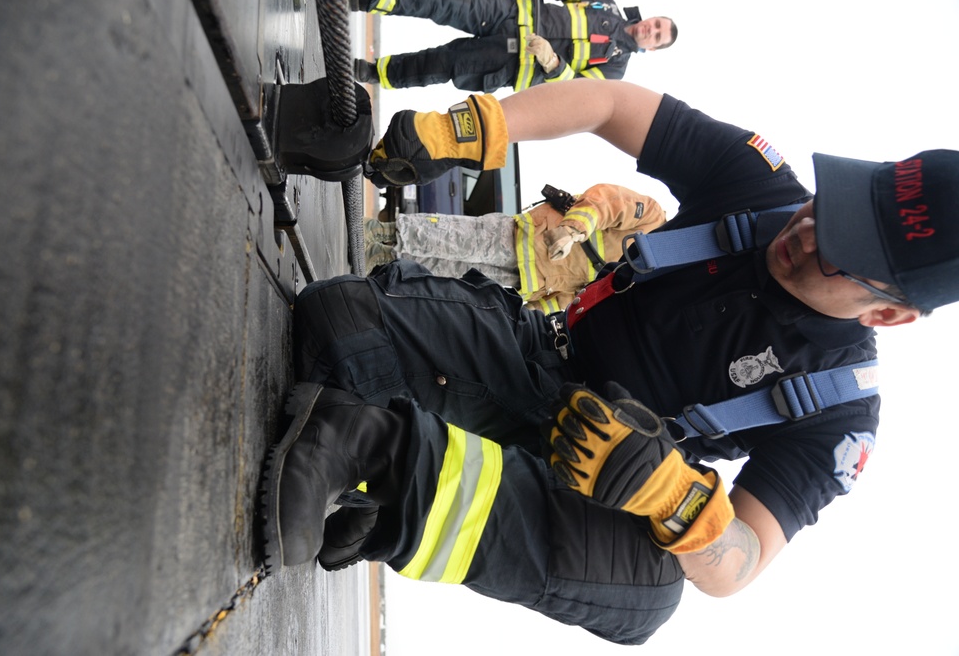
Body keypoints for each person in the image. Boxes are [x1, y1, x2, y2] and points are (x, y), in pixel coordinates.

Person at [260, 79, 959, 645]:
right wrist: (472, 131)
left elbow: (738, 565)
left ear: (887, 313)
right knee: (337, 316)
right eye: (824, 206)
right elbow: (611, 104)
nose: (804, 234)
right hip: (525, 356)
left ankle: (370, 450)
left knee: (649, 597)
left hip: (591, 478)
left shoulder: (840, 414)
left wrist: (674, 498)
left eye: (837, 251)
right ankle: (383, 493)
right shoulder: (756, 182)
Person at [365, 182, 667, 312]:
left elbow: (579, 296)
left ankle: (384, 256)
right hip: (534, 238)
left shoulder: (644, 277)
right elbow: (607, 202)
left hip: (529, 282)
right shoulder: (653, 218)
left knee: (450, 273)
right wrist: (573, 230)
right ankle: (381, 233)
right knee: (455, 236)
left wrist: (533, 311)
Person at [351, 0, 676, 92]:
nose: (652, 29)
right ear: (651, 17)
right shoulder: (606, 4)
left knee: (441, 64)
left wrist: (551, 61)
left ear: (653, 49)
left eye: (658, 36)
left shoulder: (616, 70)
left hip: (510, 58)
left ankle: (374, 73)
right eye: (657, 24)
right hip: (506, 12)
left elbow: (573, 90)